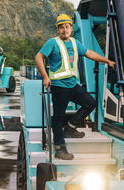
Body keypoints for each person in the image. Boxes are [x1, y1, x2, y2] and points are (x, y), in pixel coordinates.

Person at [35, 14, 115, 160]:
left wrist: (107, 61)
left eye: (67, 26)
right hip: (59, 86)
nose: (65, 30)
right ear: (58, 29)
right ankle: (60, 148)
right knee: (58, 118)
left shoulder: (75, 42)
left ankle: (70, 127)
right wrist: (45, 77)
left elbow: (89, 53)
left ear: (71, 28)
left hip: (73, 84)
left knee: (90, 103)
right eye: (61, 27)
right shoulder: (52, 43)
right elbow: (38, 57)